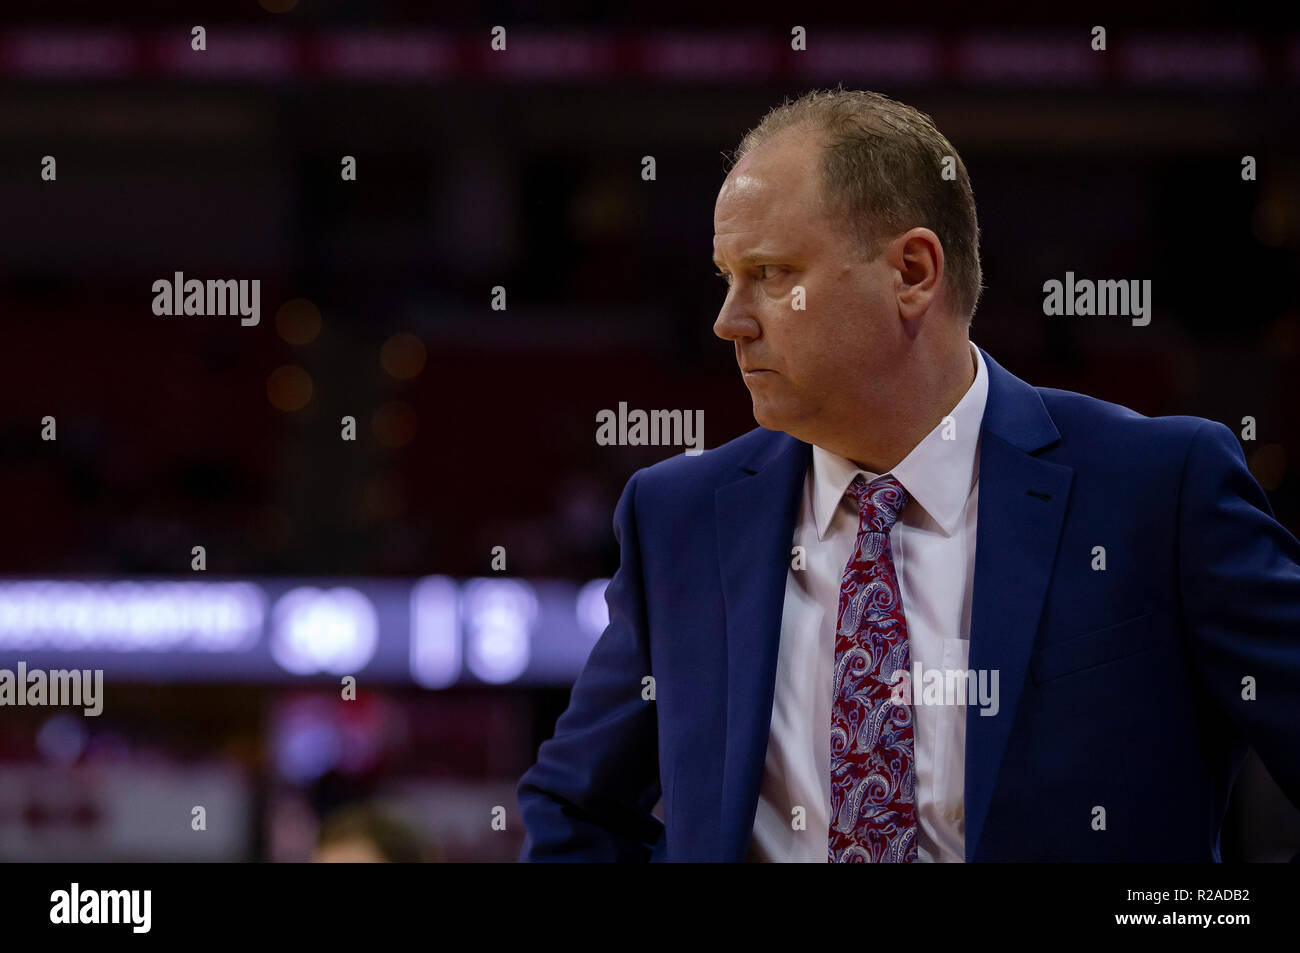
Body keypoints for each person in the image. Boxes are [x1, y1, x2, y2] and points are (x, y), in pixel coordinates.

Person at [516, 88, 1300, 862]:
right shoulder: (676, 517)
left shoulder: (1158, 489)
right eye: (727, 274)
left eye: (769, 271)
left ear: (913, 272)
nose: (729, 319)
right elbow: (575, 807)